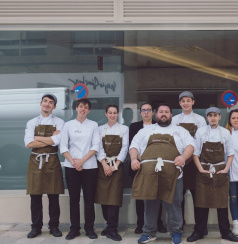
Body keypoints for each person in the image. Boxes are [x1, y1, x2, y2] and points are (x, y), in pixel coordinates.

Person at [130, 103, 194, 244]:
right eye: (161, 112)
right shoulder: (145, 131)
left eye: (166, 112)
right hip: (149, 175)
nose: (163, 114)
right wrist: (134, 159)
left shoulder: (180, 131)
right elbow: (134, 146)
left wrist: (183, 157)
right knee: (150, 204)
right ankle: (149, 232)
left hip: (174, 176)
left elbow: (190, 145)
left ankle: (176, 232)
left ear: (171, 115)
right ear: (156, 114)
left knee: (174, 203)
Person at [187, 107, 238, 243]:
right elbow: (195, 153)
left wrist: (226, 169)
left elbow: (230, 153)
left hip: (220, 169)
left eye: (215, 115)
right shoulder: (201, 132)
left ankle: (226, 232)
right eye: (210, 115)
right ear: (207, 118)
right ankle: (199, 231)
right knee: (201, 203)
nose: (213, 118)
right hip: (204, 169)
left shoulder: (225, 133)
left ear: (220, 117)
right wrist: (201, 170)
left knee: (222, 203)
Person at [24, 93, 65, 238]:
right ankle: (36, 227)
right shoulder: (31, 122)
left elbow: (57, 141)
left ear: (54, 106)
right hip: (36, 162)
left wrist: (38, 137)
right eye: (45, 101)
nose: (47, 104)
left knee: (53, 196)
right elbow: (29, 144)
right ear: (41, 103)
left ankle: (54, 226)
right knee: (35, 196)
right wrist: (50, 138)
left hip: (52, 161)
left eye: (50, 102)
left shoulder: (60, 122)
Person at [60, 99, 100, 240]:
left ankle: (89, 228)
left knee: (89, 199)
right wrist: (73, 161)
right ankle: (74, 228)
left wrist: (82, 161)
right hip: (71, 166)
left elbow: (95, 147)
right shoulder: (68, 125)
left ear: (89, 111)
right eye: (81, 106)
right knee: (74, 199)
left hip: (89, 166)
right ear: (76, 108)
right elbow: (63, 146)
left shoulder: (94, 125)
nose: (83, 109)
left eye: (86, 107)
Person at [129, 103, 167, 234]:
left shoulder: (159, 126)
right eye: (143, 110)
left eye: (148, 110)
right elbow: (132, 145)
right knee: (141, 196)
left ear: (153, 112)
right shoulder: (134, 127)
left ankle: (158, 222)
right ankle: (141, 223)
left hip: (156, 166)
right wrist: (141, 158)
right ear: (140, 113)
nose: (146, 113)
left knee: (158, 194)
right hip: (139, 165)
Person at [172, 91, 206, 231]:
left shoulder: (200, 120)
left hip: (194, 162)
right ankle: (179, 225)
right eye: (183, 101)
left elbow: (202, 141)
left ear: (193, 102)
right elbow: (172, 141)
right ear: (179, 103)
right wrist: (181, 158)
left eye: (188, 100)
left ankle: (200, 227)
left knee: (197, 196)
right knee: (178, 196)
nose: (185, 103)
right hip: (178, 162)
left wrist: (192, 157)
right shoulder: (174, 120)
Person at [95, 105, 129, 241]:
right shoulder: (99, 129)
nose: (112, 115)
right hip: (102, 166)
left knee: (114, 199)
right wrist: (104, 164)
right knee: (104, 197)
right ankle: (109, 225)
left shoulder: (124, 129)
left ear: (118, 114)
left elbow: (125, 148)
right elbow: (98, 147)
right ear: (106, 114)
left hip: (117, 166)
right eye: (110, 113)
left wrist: (115, 165)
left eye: (115, 113)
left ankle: (113, 229)